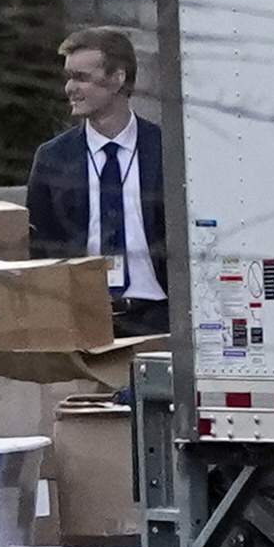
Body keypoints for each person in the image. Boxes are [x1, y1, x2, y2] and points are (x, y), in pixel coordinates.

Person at [26, 25, 169, 336]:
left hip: (160, 317)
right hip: (83, 321)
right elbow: (40, 249)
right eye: (68, 77)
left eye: (81, 77)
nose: (69, 88)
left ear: (118, 78)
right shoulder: (54, 158)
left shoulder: (166, 149)